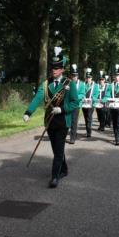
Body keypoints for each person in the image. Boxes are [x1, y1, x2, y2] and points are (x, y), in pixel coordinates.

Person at [23, 47, 79, 188]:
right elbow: (38, 98)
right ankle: (64, 169)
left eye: (57, 67)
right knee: (56, 149)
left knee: (58, 149)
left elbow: (75, 103)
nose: (54, 70)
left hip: (62, 121)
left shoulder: (69, 84)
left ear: (62, 69)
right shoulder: (46, 83)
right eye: (53, 67)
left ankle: (55, 176)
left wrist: (62, 109)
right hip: (50, 121)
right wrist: (28, 112)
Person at [103, 65, 119, 146]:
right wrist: (104, 100)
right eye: (116, 75)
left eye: (118, 75)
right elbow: (107, 95)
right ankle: (116, 136)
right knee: (114, 123)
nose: (117, 77)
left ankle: (118, 138)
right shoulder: (111, 85)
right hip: (112, 107)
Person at [69, 64, 85, 144]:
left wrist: (75, 97)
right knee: (68, 121)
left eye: (75, 75)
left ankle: (72, 138)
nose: (74, 77)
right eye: (73, 75)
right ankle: (73, 133)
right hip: (68, 105)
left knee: (74, 121)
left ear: (77, 76)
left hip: (76, 105)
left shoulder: (82, 84)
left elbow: (82, 94)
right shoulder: (68, 83)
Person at [82, 68, 99, 138]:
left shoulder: (95, 85)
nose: (88, 79)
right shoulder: (83, 84)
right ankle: (87, 129)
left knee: (89, 117)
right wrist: (83, 98)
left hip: (91, 104)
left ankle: (89, 131)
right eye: (87, 78)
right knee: (85, 117)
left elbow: (96, 94)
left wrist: (92, 99)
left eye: (89, 78)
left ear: (91, 78)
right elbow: (82, 92)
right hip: (84, 104)